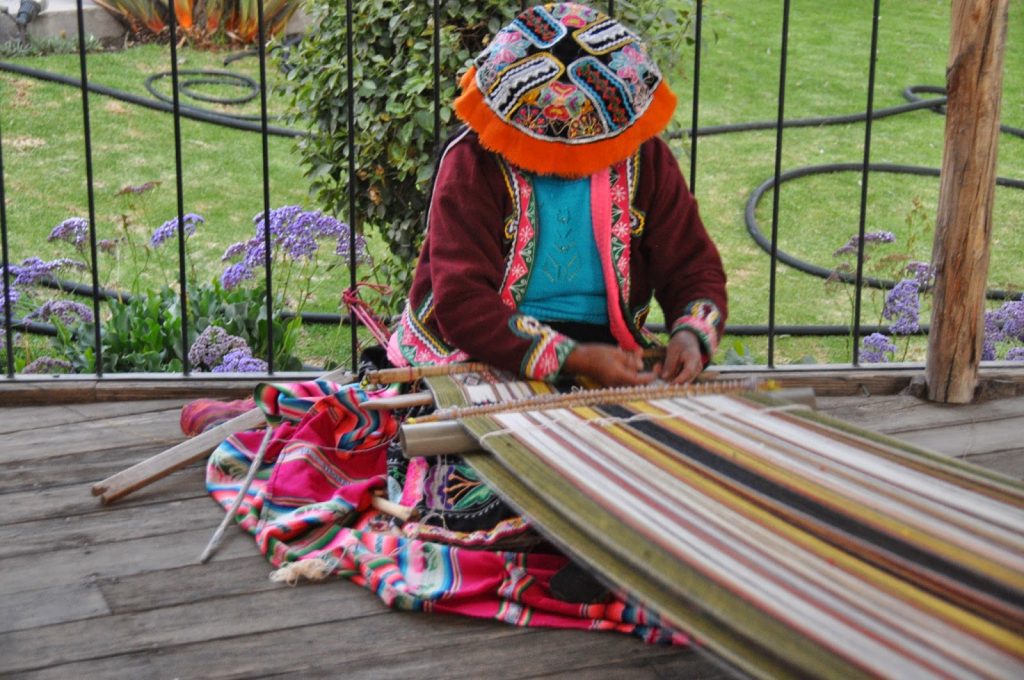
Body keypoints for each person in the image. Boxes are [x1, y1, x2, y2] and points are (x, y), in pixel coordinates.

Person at [387, 2, 727, 387]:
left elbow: (692, 266)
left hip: (607, 347)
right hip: (479, 347)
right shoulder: (472, 163)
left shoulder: (645, 159)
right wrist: (573, 358)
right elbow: (463, 301)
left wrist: (690, 334)